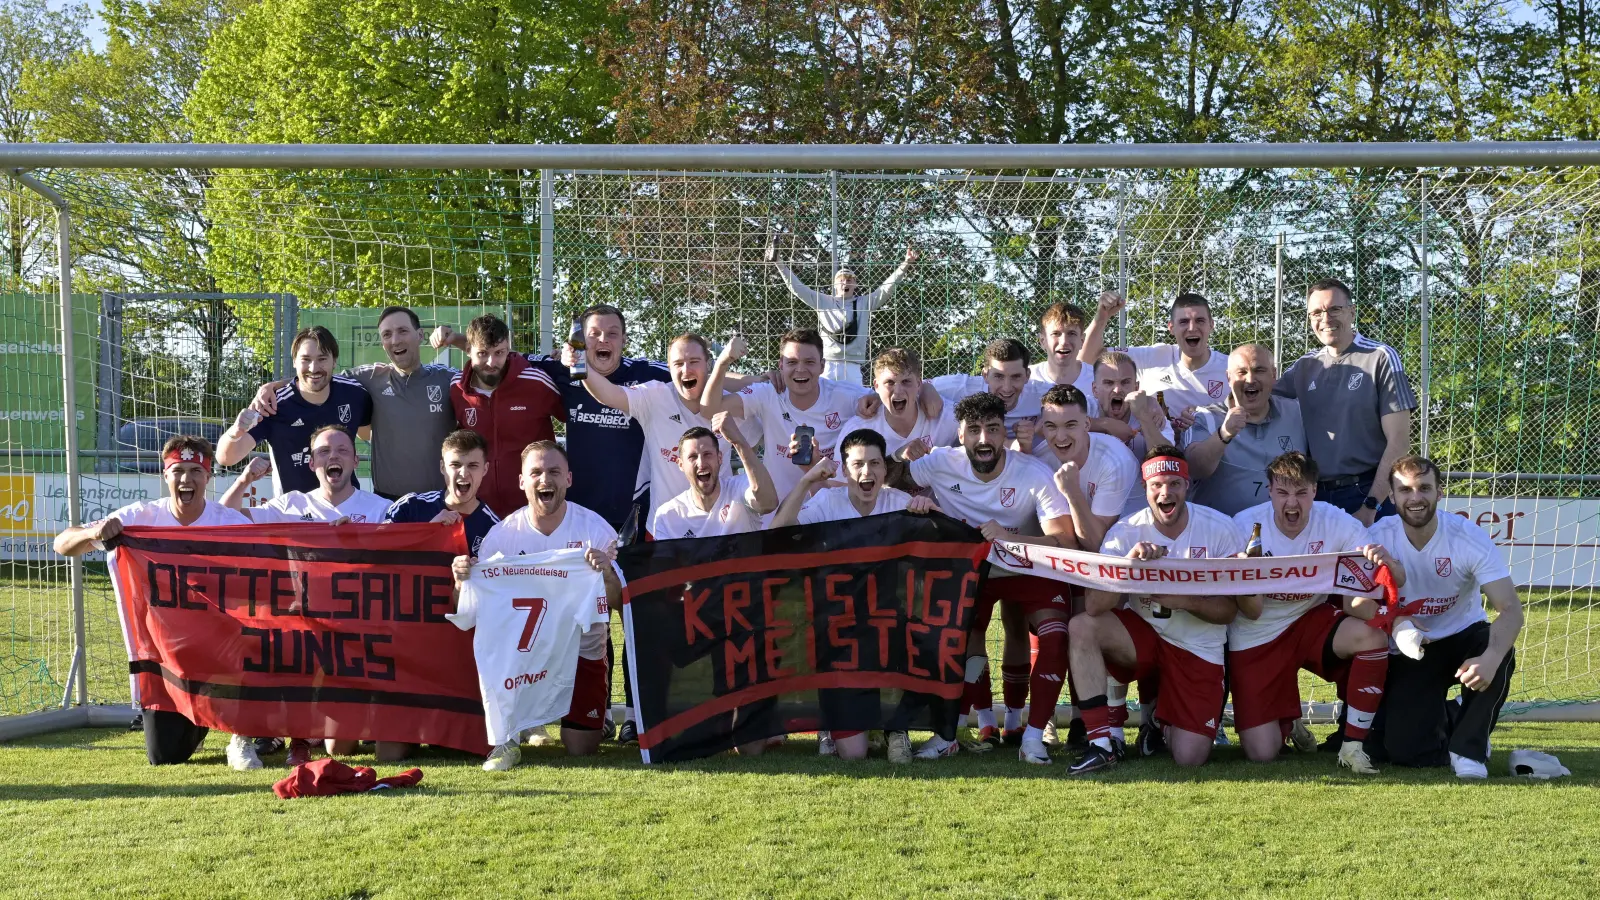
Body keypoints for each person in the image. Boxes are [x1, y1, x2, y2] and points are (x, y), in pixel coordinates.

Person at [53, 435, 259, 770]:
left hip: (223, 646)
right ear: (165, 476)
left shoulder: (230, 524)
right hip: (170, 653)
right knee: (165, 755)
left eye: (196, 471)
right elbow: (62, 544)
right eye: (178, 470)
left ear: (209, 477)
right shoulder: (141, 517)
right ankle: (203, 718)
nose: (186, 479)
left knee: (255, 641)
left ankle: (242, 734)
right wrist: (94, 534)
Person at [890, 392, 1075, 763]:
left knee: (1056, 637)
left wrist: (1012, 539)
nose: (984, 439)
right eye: (974, 430)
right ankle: (952, 733)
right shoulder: (941, 462)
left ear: (1003, 432)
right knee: (955, 638)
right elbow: (892, 476)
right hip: (973, 570)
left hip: (1026, 564)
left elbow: (1066, 539)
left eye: (992, 429)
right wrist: (899, 455)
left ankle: (1033, 737)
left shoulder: (1031, 472)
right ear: (960, 435)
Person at [221, 426, 393, 766]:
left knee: (338, 749)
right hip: (300, 620)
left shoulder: (380, 509)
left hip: (356, 627)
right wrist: (244, 481)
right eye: (325, 452)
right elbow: (225, 517)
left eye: (343, 450)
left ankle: (332, 726)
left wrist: (362, 541)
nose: (334, 457)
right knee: (255, 635)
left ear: (356, 460)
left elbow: (409, 552)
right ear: (312, 462)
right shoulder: (291, 505)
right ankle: (274, 736)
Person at [1065, 446, 1244, 774]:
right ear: (1146, 489)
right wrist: (1127, 568)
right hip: (1145, 636)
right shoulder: (1125, 531)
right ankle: (1102, 742)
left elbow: (1230, 612)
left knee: (1190, 758)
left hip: (1197, 647)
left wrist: (1186, 600)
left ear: (1187, 485)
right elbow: (1094, 606)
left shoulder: (1220, 529)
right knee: (1082, 627)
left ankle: (1159, 719)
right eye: (1157, 485)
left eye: (1174, 483)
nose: (1166, 492)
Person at [770, 428, 941, 764]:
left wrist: (930, 512)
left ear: (884, 469)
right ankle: (834, 724)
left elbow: (944, 545)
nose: (867, 472)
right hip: (840, 629)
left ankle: (896, 727)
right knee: (853, 755)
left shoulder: (899, 503)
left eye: (875, 464)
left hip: (887, 622)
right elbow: (778, 534)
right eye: (858, 464)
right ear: (845, 470)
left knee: (919, 639)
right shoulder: (828, 502)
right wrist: (806, 482)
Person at [1228, 452, 1403, 775]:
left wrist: (1387, 566)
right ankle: (1288, 720)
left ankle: (1352, 746)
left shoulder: (1336, 521)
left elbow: (1377, 580)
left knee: (1371, 636)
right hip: (1257, 632)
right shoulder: (1244, 526)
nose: (1291, 503)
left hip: (1310, 620)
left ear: (1315, 491)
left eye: (1301, 493)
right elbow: (1247, 610)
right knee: (1262, 753)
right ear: (1269, 492)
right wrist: (1245, 578)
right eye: (1282, 493)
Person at [452, 440, 624, 769]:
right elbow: (471, 615)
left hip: (580, 656)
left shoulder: (595, 530)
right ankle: (519, 727)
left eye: (554, 472)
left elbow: (620, 604)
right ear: (522, 481)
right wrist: (462, 580)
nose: (545, 479)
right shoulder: (502, 537)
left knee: (581, 750)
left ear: (569, 479)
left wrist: (606, 575)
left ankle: (592, 717)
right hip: (523, 662)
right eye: (536, 472)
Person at [432, 303, 674, 531]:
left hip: (634, 505)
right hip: (576, 505)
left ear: (624, 340)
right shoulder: (559, 371)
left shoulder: (649, 374)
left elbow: (690, 375)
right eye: (594, 333)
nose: (603, 339)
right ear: (580, 341)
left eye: (612, 333)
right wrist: (455, 339)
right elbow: (498, 355)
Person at [1364, 456, 1523, 778]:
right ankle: (1457, 714)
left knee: (1498, 647)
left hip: (1464, 635)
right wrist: (1396, 623)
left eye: (1424, 488)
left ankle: (1470, 751)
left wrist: (1491, 657)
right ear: (1392, 496)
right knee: (1407, 753)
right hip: (1413, 647)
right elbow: (1355, 604)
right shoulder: (1377, 537)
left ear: (1440, 492)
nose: (1415, 498)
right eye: (1405, 490)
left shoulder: (1467, 537)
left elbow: (1510, 609)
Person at [250, 307, 458, 500]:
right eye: (387, 334)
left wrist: (458, 339)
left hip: (441, 499)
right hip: (388, 502)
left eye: (403, 331)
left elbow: (486, 373)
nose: (395, 340)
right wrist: (275, 385)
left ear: (420, 335)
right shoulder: (370, 377)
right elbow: (319, 377)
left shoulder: (448, 378)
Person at [1275, 278, 1416, 525]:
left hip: (1367, 494)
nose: (1325, 318)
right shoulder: (1305, 366)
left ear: (1352, 312)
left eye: (1334, 309)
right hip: (1316, 497)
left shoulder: (1380, 357)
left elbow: (1399, 442)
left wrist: (1371, 505)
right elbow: (1257, 399)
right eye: (1316, 313)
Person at [578, 332, 733, 535]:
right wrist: (579, 363)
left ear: (708, 365)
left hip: (722, 528)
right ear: (669, 368)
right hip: (666, 529)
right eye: (678, 363)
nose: (686, 369)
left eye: (694, 361)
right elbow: (609, 395)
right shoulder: (655, 396)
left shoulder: (732, 404)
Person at [699, 328, 873, 505]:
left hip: (827, 512)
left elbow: (885, 396)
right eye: (792, 362)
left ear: (822, 366)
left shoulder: (846, 396)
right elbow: (709, 409)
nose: (800, 369)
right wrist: (722, 362)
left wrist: (875, 401)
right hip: (777, 510)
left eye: (809, 362)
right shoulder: (768, 393)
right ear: (780, 365)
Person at [217, 326, 372, 495]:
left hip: (346, 510)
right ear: (294, 361)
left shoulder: (354, 394)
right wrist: (236, 430)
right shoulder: (274, 404)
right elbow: (226, 458)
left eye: (322, 359)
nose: (314, 368)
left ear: (334, 360)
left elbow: (367, 435)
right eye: (306, 359)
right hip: (294, 513)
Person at [448, 315, 565, 518]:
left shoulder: (535, 382)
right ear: (468, 350)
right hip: (478, 508)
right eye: (483, 354)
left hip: (532, 507)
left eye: (499, 353)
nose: (491, 362)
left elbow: (575, 416)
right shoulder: (457, 388)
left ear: (508, 350)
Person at [767, 239, 919, 383]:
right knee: (825, 405)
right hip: (828, 365)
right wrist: (779, 263)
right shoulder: (823, 301)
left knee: (855, 405)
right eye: (841, 279)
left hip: (853, 365)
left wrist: (906, 263)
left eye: (850, 280)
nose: (845, 282)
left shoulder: (864, 303)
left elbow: (887, 288)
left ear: (855, 285)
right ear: (834, 285)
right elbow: (798, 288)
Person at [1081, 290, 1229, 434]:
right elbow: (1089, 357)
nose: (1192, 328)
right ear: (1171, 327)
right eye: (1184, 321)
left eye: (1200, 321)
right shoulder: (1154, 356)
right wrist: (1102, 316)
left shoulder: (1231, 368)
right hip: (1156, 454)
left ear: (1211, 325)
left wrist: (1204, 418)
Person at [1185, 344, 1307, 516]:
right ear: (1228, 378)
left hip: (1285, 532)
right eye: (1241, 372)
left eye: (1259, 370)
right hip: (1226, 534)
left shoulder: (1297, 413)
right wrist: (1223, 434)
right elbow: (1193, 468)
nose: (1250, 379)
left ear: (1274, 374)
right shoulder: (1208, 417)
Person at [651, 414, 779, 541]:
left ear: (719, 458)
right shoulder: (667, 516)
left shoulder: (740, 488)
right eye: (692, 457)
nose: (701, 463)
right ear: (680, 464)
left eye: (707, 454)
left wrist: (738, 441)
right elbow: (665, 561)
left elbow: (768, 503)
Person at [384, 429, 501, 559]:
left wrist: (478, 571)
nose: (463, 473)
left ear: (485, 469)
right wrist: (428, 531)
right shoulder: (408, 506)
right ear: (442, 467)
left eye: (473, 466)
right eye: (455, 465)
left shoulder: (495, 528)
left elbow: (499, 575)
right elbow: (377, 547)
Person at [929, 338, 1052, 451]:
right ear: (985, 375)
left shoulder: (1045, 395)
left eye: (1016, 377)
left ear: (1027, 376)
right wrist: (927, 389)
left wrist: (1047, 426)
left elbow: (1070, 403)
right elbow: (915, 384)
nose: (1007, 387)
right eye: (999, 376)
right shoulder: (963, 387)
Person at [836, 348, 958, 460]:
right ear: (876, 386)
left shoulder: (948, 418)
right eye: (890, 382)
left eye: (906, 381)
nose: (898, 391)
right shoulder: (857, 430)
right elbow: (837, 482)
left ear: (919, 384)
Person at [1089, 351, 1173, 499]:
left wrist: (1143, 418)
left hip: (1142, 508)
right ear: (1095, 389)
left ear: (1136, 387)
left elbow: (1168, 462)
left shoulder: (1152, 412)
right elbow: (1053, 424)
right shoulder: (1086, 408)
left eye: (1125, 382)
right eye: (1108, 383)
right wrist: (1105, 424)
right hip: (1094, 504)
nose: (1117, 389)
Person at [1030, 300, 1099, 396]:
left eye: (1071, 333)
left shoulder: (1098, 379)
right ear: (1042, 341)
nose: (1064, 342)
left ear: (1082, 341)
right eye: (1055, 334)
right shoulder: (1028, 380)